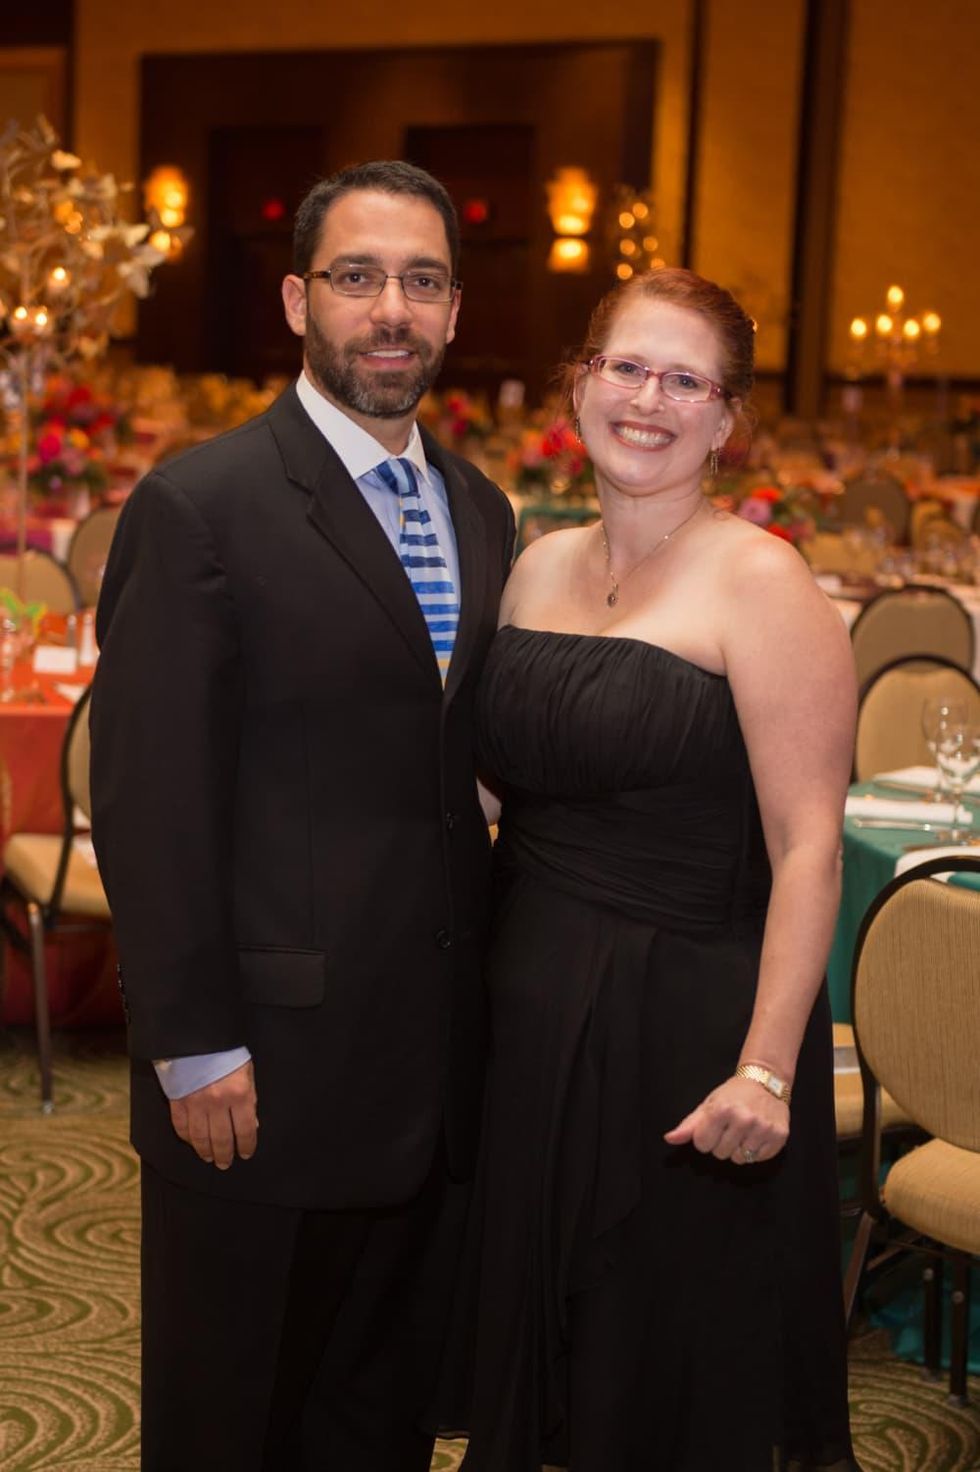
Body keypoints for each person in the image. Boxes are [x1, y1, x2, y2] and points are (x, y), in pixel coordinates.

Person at [90, 160, 514, 1472]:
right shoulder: (200, 506)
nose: (391, 309)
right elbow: (149, 797)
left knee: (374, 1426)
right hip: (258, 1071)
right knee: (234, 1424)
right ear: (295, 300)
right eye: (357, 278)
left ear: (452, 311)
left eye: (423, 281)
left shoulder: (483, 511)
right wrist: (194, 1042)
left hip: (430, 1074)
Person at [443, 268, 861, 1470]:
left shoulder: (761, 580)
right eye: (625, 366)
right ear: (580, 381)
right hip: (524, 1009)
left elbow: (806, 845)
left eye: (685, 380)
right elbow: (481, 790)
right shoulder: (529, 564)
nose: (647, 399)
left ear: (725, 419)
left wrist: (769, 1073)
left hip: (684, 1028)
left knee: (660, 1371)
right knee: (539, 1358)